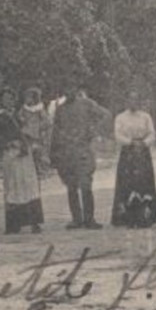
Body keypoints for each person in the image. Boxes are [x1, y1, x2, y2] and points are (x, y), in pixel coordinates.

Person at [50, 85, 108, 229]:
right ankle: (76, 219)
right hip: (66, 153)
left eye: (71, 88)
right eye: (66, 89)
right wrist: (54, 154)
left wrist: (93, 130)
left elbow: (105, 115)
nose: (68, 92)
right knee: (71, 187)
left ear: (76, 89)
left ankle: (89, 219)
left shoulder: (87, 104)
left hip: (83, 152)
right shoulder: (60, 109)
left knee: (86, 185)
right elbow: (55, 133)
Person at [0, 87, 44, 234]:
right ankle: (13, 224)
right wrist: (7, 144)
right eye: (5, 99)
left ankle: (34, 222)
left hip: (24, 153)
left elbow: (34, 129)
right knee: (13, 186)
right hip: (10, 154)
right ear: (1, 101)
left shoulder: (22, 114)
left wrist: (26, 144)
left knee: (29, 185)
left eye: (10, 98)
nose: (8, 101)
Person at [111, 90, 156, 228]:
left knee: (143, 182)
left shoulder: (146, 117)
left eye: (136, 100)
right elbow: (117, 135)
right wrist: (130, 142)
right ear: (126, 101)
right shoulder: (120, 117)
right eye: (130, 100)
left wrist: (144, 143)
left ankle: (145, 217)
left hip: (142, 152)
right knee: (127, 183)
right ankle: (127, 218)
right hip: (128, 152)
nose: (133, 102)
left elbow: (152, 133)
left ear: (140, 101)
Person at [19, 87, 53, 174]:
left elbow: (46, 120)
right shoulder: (24, 108)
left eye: (29, 97)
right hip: (26, 130)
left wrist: (41, 126)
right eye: (26, 97)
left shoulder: (39, 109)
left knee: (38, 150)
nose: (27, 100)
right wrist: (22, 119)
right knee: (28, 149)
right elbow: (20, 116)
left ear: (34, 98)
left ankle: (40, 167)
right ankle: (29, 167)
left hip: (37, 131)